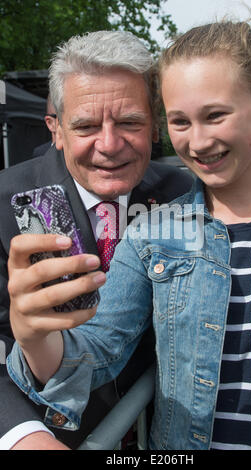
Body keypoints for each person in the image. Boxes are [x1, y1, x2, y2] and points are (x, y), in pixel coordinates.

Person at [7, 18, 251, 450]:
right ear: (57, 129)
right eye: (181, 121)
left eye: (215, 115)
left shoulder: (164, 198)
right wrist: (34, 337)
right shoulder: (159, 230)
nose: (197, 142)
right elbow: (97, 348)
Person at [0, 30, 193, 450]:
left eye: (129, 122)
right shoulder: (3, 203)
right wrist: (21, 435)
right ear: (55, 129)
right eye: (86, 126)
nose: (109, 145)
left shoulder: (185, 198)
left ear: (154, 125)